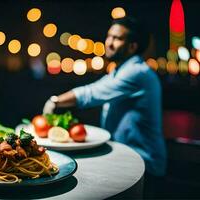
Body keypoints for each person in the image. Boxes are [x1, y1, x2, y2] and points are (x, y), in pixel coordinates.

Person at [43, 17, 166, 197]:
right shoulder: (121, 70)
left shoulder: (136, 72)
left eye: (117, 38)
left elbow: (92, 93)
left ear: (132, 46)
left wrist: (55, 101)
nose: (109, 42)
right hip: (129, 159)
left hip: (146, 165)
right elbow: (93, 88)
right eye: (109, 36)